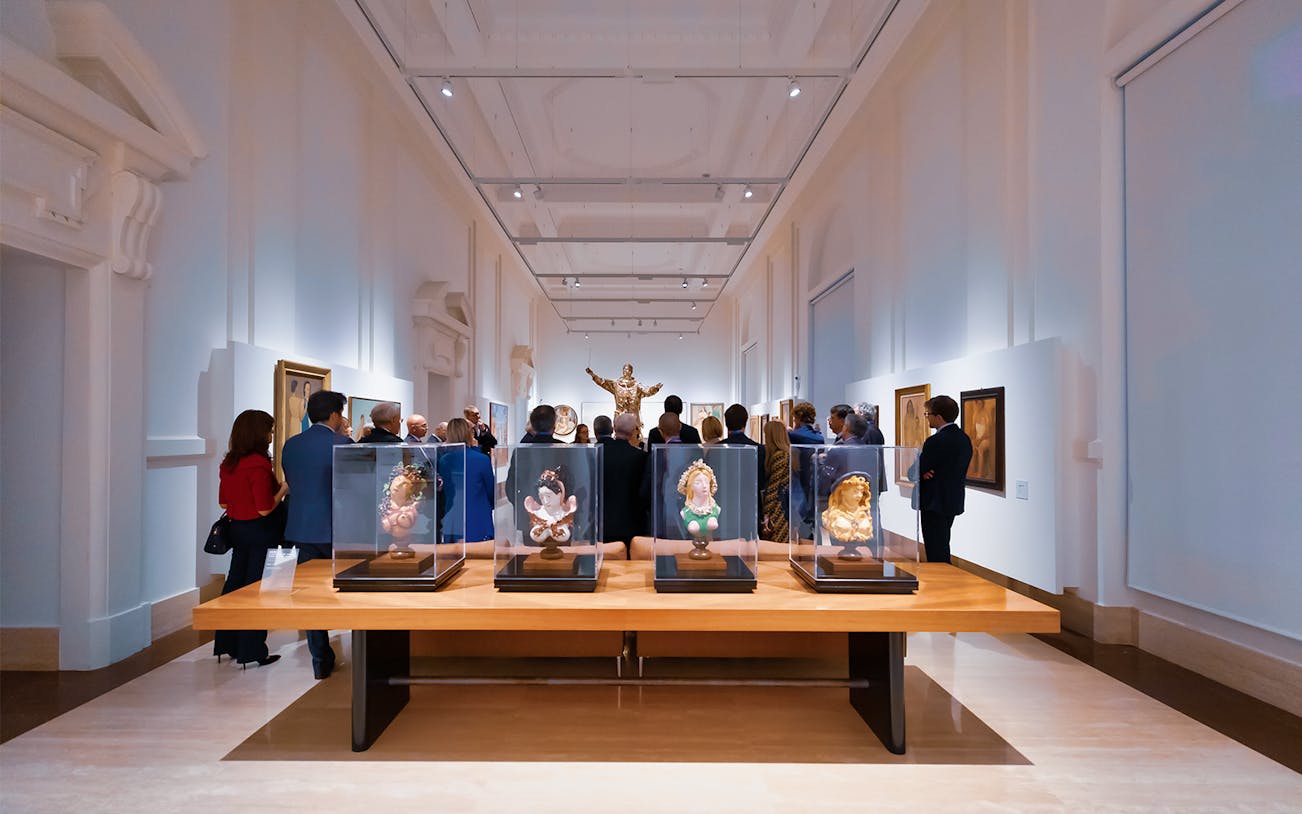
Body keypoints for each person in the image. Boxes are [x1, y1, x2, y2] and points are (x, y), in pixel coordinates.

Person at [280, 389, 352, 679]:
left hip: (301, 528)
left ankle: (320, 658)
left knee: (310, 596)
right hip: (338, 528)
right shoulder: (342, 443)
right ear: (335, 414)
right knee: (351, 589)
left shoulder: (291, 445)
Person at [214, 409, 288, 668]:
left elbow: (223, 500)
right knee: (256, 589)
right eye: (269, 430)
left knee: (234, 586)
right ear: (259, 433)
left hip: (237, 530)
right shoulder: (258, 464)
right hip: (260, 531)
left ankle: (226, 644)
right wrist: (283, 490)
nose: (270, 436)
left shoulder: (229, 463)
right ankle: (252, 649)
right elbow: (265, 508)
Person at [916, 395, 973, 564]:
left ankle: (939, 583)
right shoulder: (964, 438)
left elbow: (916, 469)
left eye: (928, 414)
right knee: (943, 543)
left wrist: (921, 472)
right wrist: (923, 471)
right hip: (952, 500)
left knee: (935, 549)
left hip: (934, 502)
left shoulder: (935, 441)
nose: (927, 418)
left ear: (938, 417)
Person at [443, 418, 494, 543]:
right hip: (477, 512)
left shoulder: (444, 460)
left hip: (454, 514)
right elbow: (491, 490)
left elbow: (446, 489)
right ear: (469, 433)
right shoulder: (482, 459)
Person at [602, 412, 647, 549]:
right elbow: (644, 491)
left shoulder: (600, 452)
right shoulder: (640, 457)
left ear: (614, 428)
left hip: (603, 520)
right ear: (634, 431)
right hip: (632, 520)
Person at [722, 403, 766, 526]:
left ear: (726, 423)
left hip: (724, 506)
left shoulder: (717, 449)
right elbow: (761, 482)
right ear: (745, 423)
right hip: (750, 506)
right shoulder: (758, 448)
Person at [761, 420, 791, 543]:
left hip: (779, 509)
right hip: (785, 505)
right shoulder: (787, 453)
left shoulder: (780, 456)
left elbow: (774, 487)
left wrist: (767, 513)